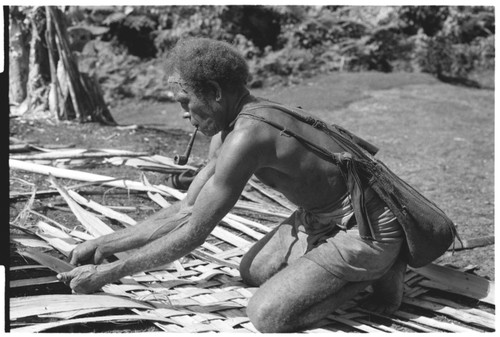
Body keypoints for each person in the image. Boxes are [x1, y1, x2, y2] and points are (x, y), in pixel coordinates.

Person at [57, 38, 408, 333]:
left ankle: (382, 268)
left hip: (368, 225)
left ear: (213, 92)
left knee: (268, 316)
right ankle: (350, 258)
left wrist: (108, 273)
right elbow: (186, 210)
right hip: (320, 216)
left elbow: (194, 232)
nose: (184, 113)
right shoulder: (228, 130)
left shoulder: (248, 135)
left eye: (185, 102)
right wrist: (102, 244)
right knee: (252, 271)